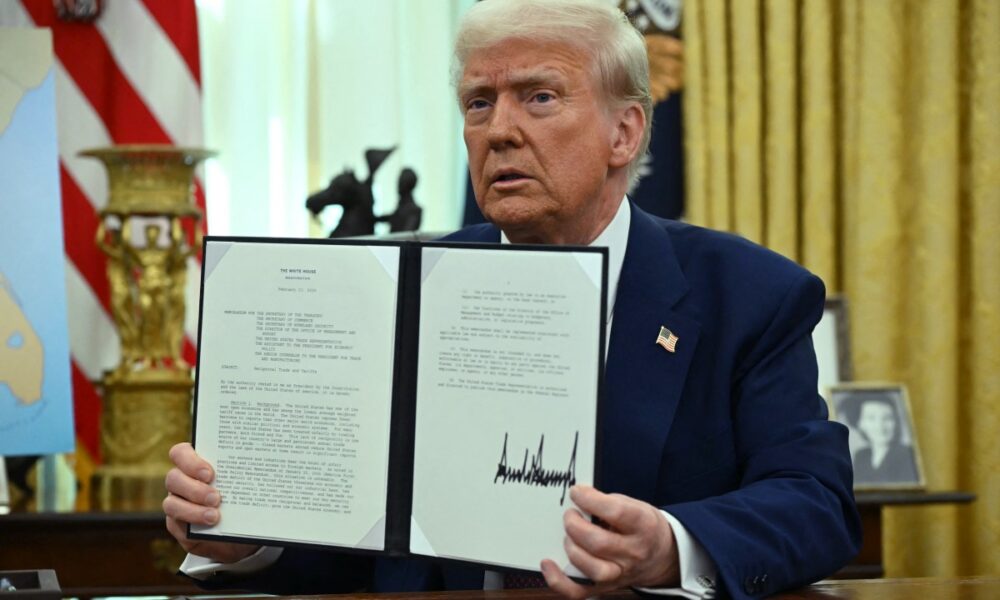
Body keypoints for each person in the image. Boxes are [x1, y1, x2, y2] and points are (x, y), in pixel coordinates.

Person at [163, 1, 861, 598]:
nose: (498, 130)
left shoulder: (748, 295)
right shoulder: (394, 290)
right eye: (478, 102)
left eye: (539, 97)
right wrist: (246, 536)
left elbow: (814, 503)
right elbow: (363, 536)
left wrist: (671, 546)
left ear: (626, 131)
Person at [849, 395, 919, 485]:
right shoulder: (861, 456)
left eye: (888, 418)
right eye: (871, 418)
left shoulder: (907, 454)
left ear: (896, 422)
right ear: (860, 424)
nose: (880, 426)